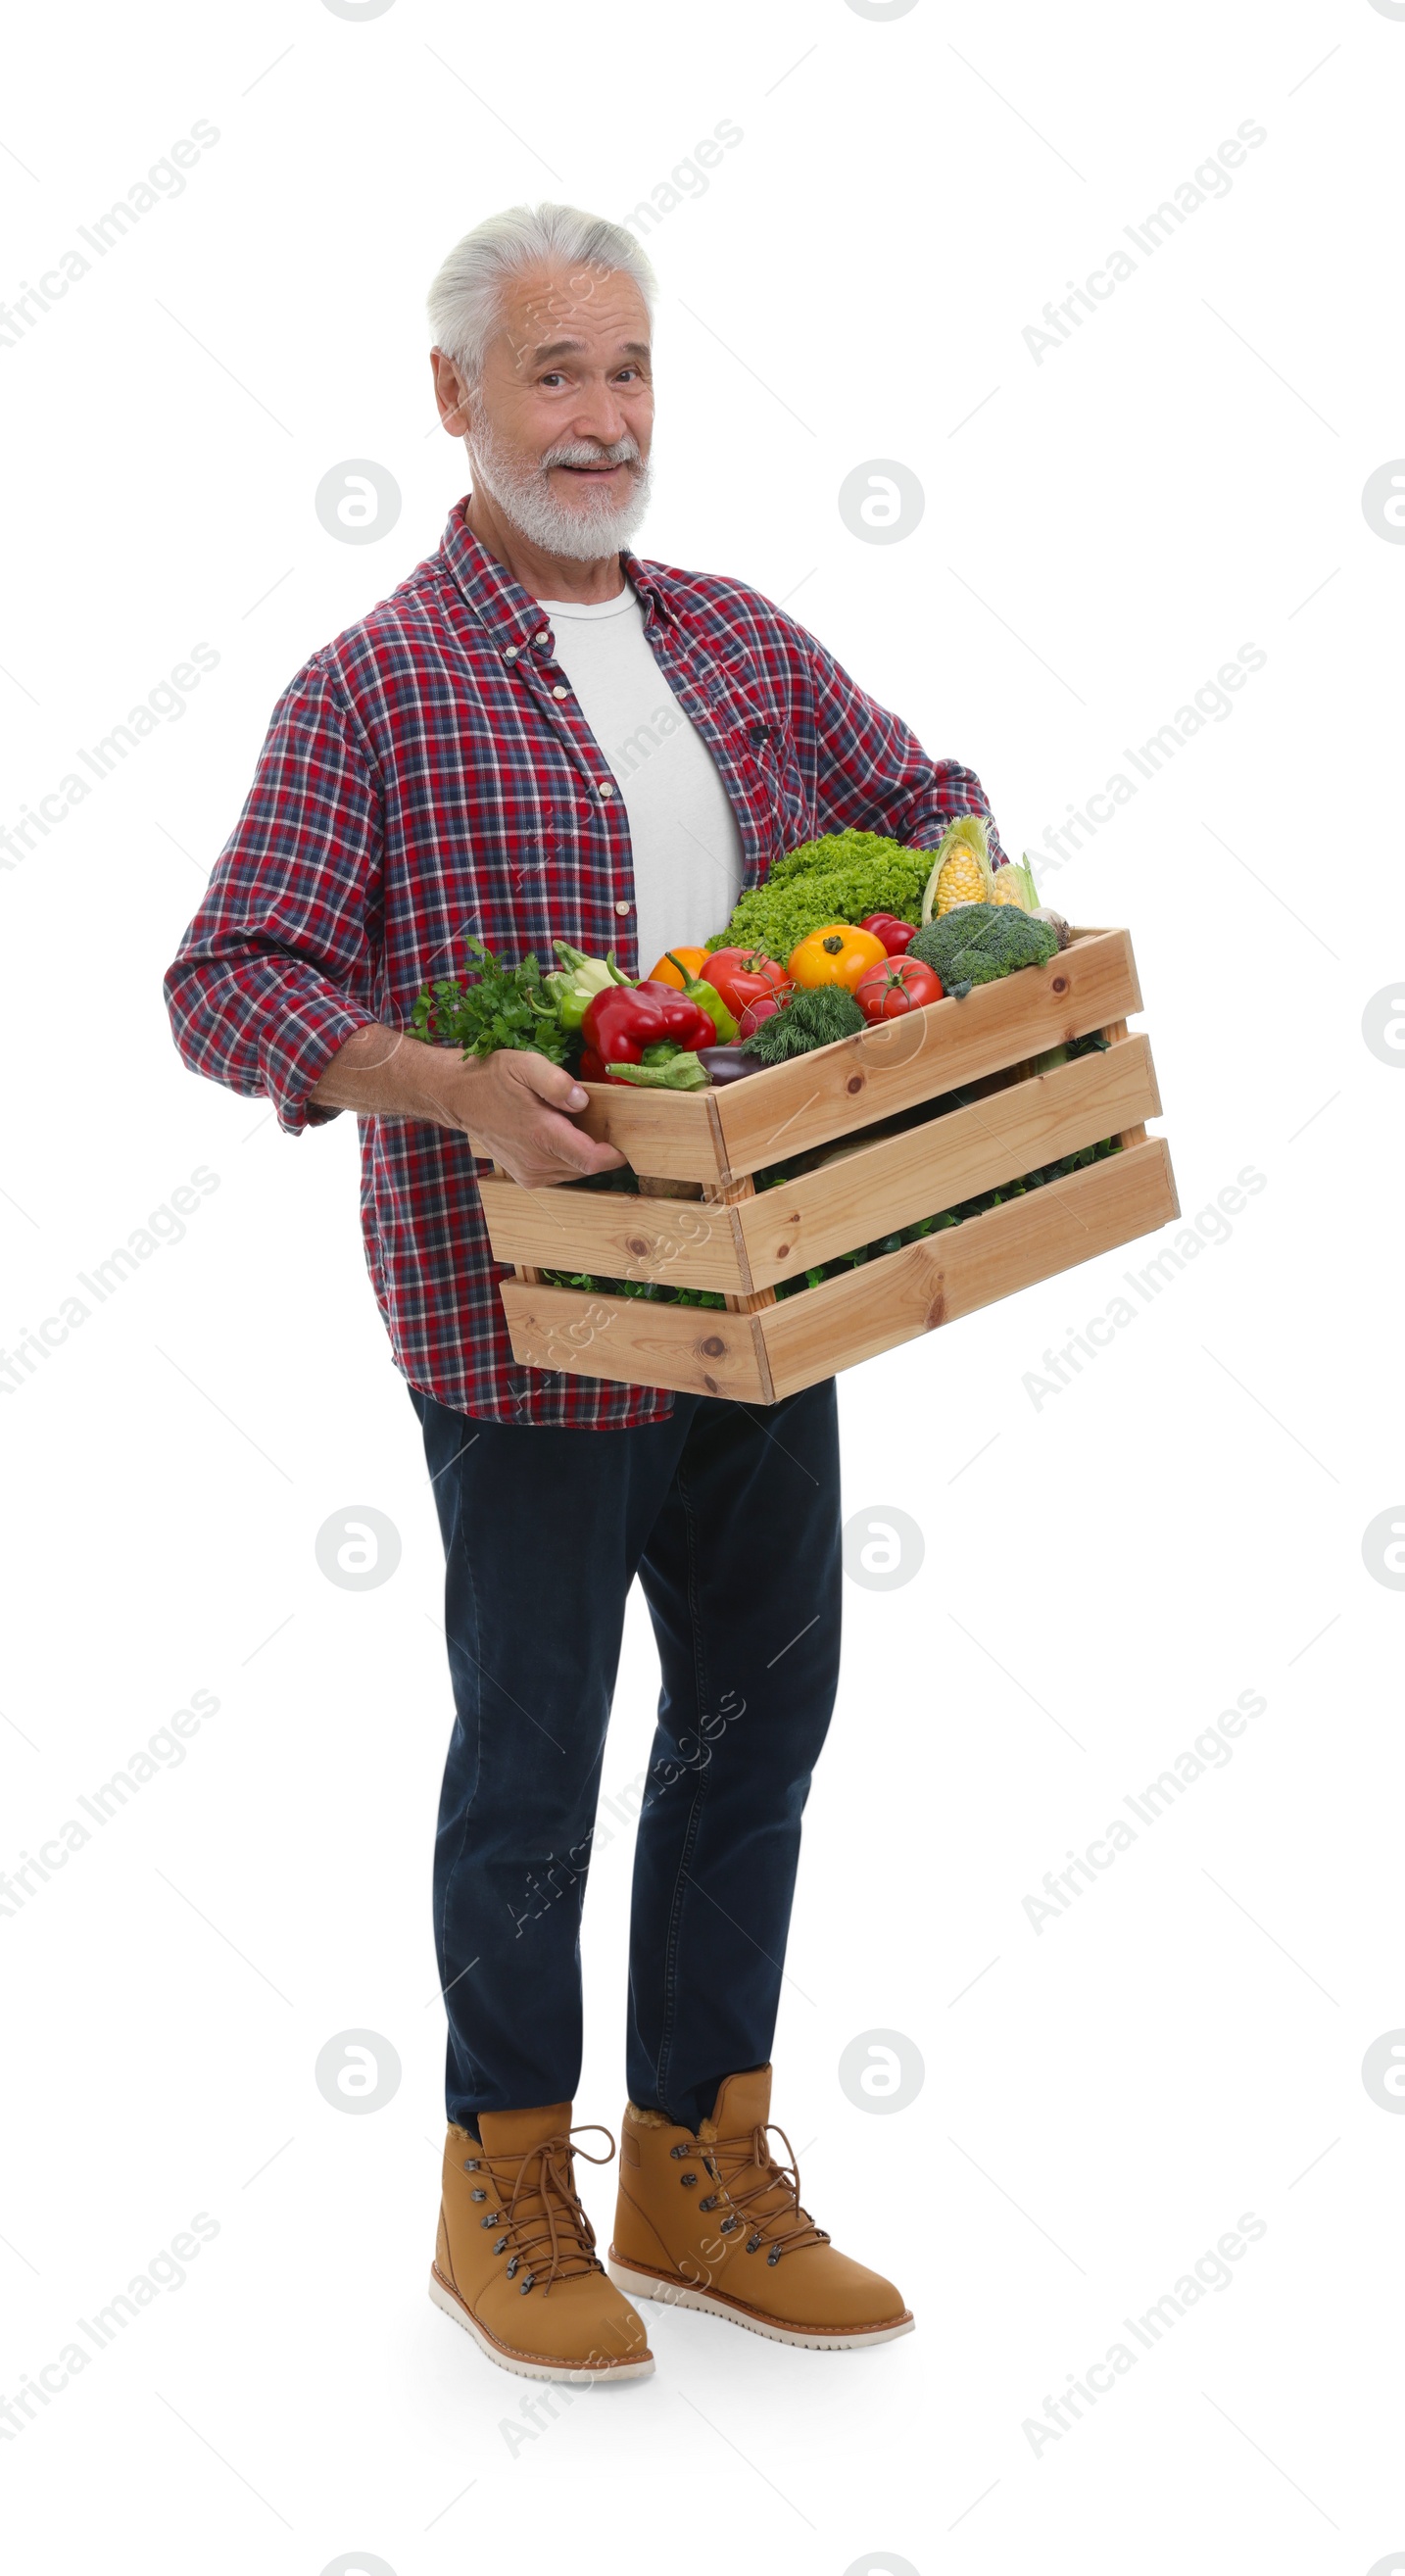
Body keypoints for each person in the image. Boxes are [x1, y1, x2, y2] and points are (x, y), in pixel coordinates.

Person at [167, 202, 1002, 2385]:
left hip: (760, 1293)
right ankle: (500, 2175)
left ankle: (695, 2166)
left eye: (627, 371)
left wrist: (955, 911)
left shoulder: (736, 640)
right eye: (554, 373)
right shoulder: (372, 686)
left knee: (755, 1736)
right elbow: (230, 977)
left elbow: (925, 805)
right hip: (519, 1328)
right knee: (534, 1766)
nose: (602, 418)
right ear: (450, 398)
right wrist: (437, 1078)